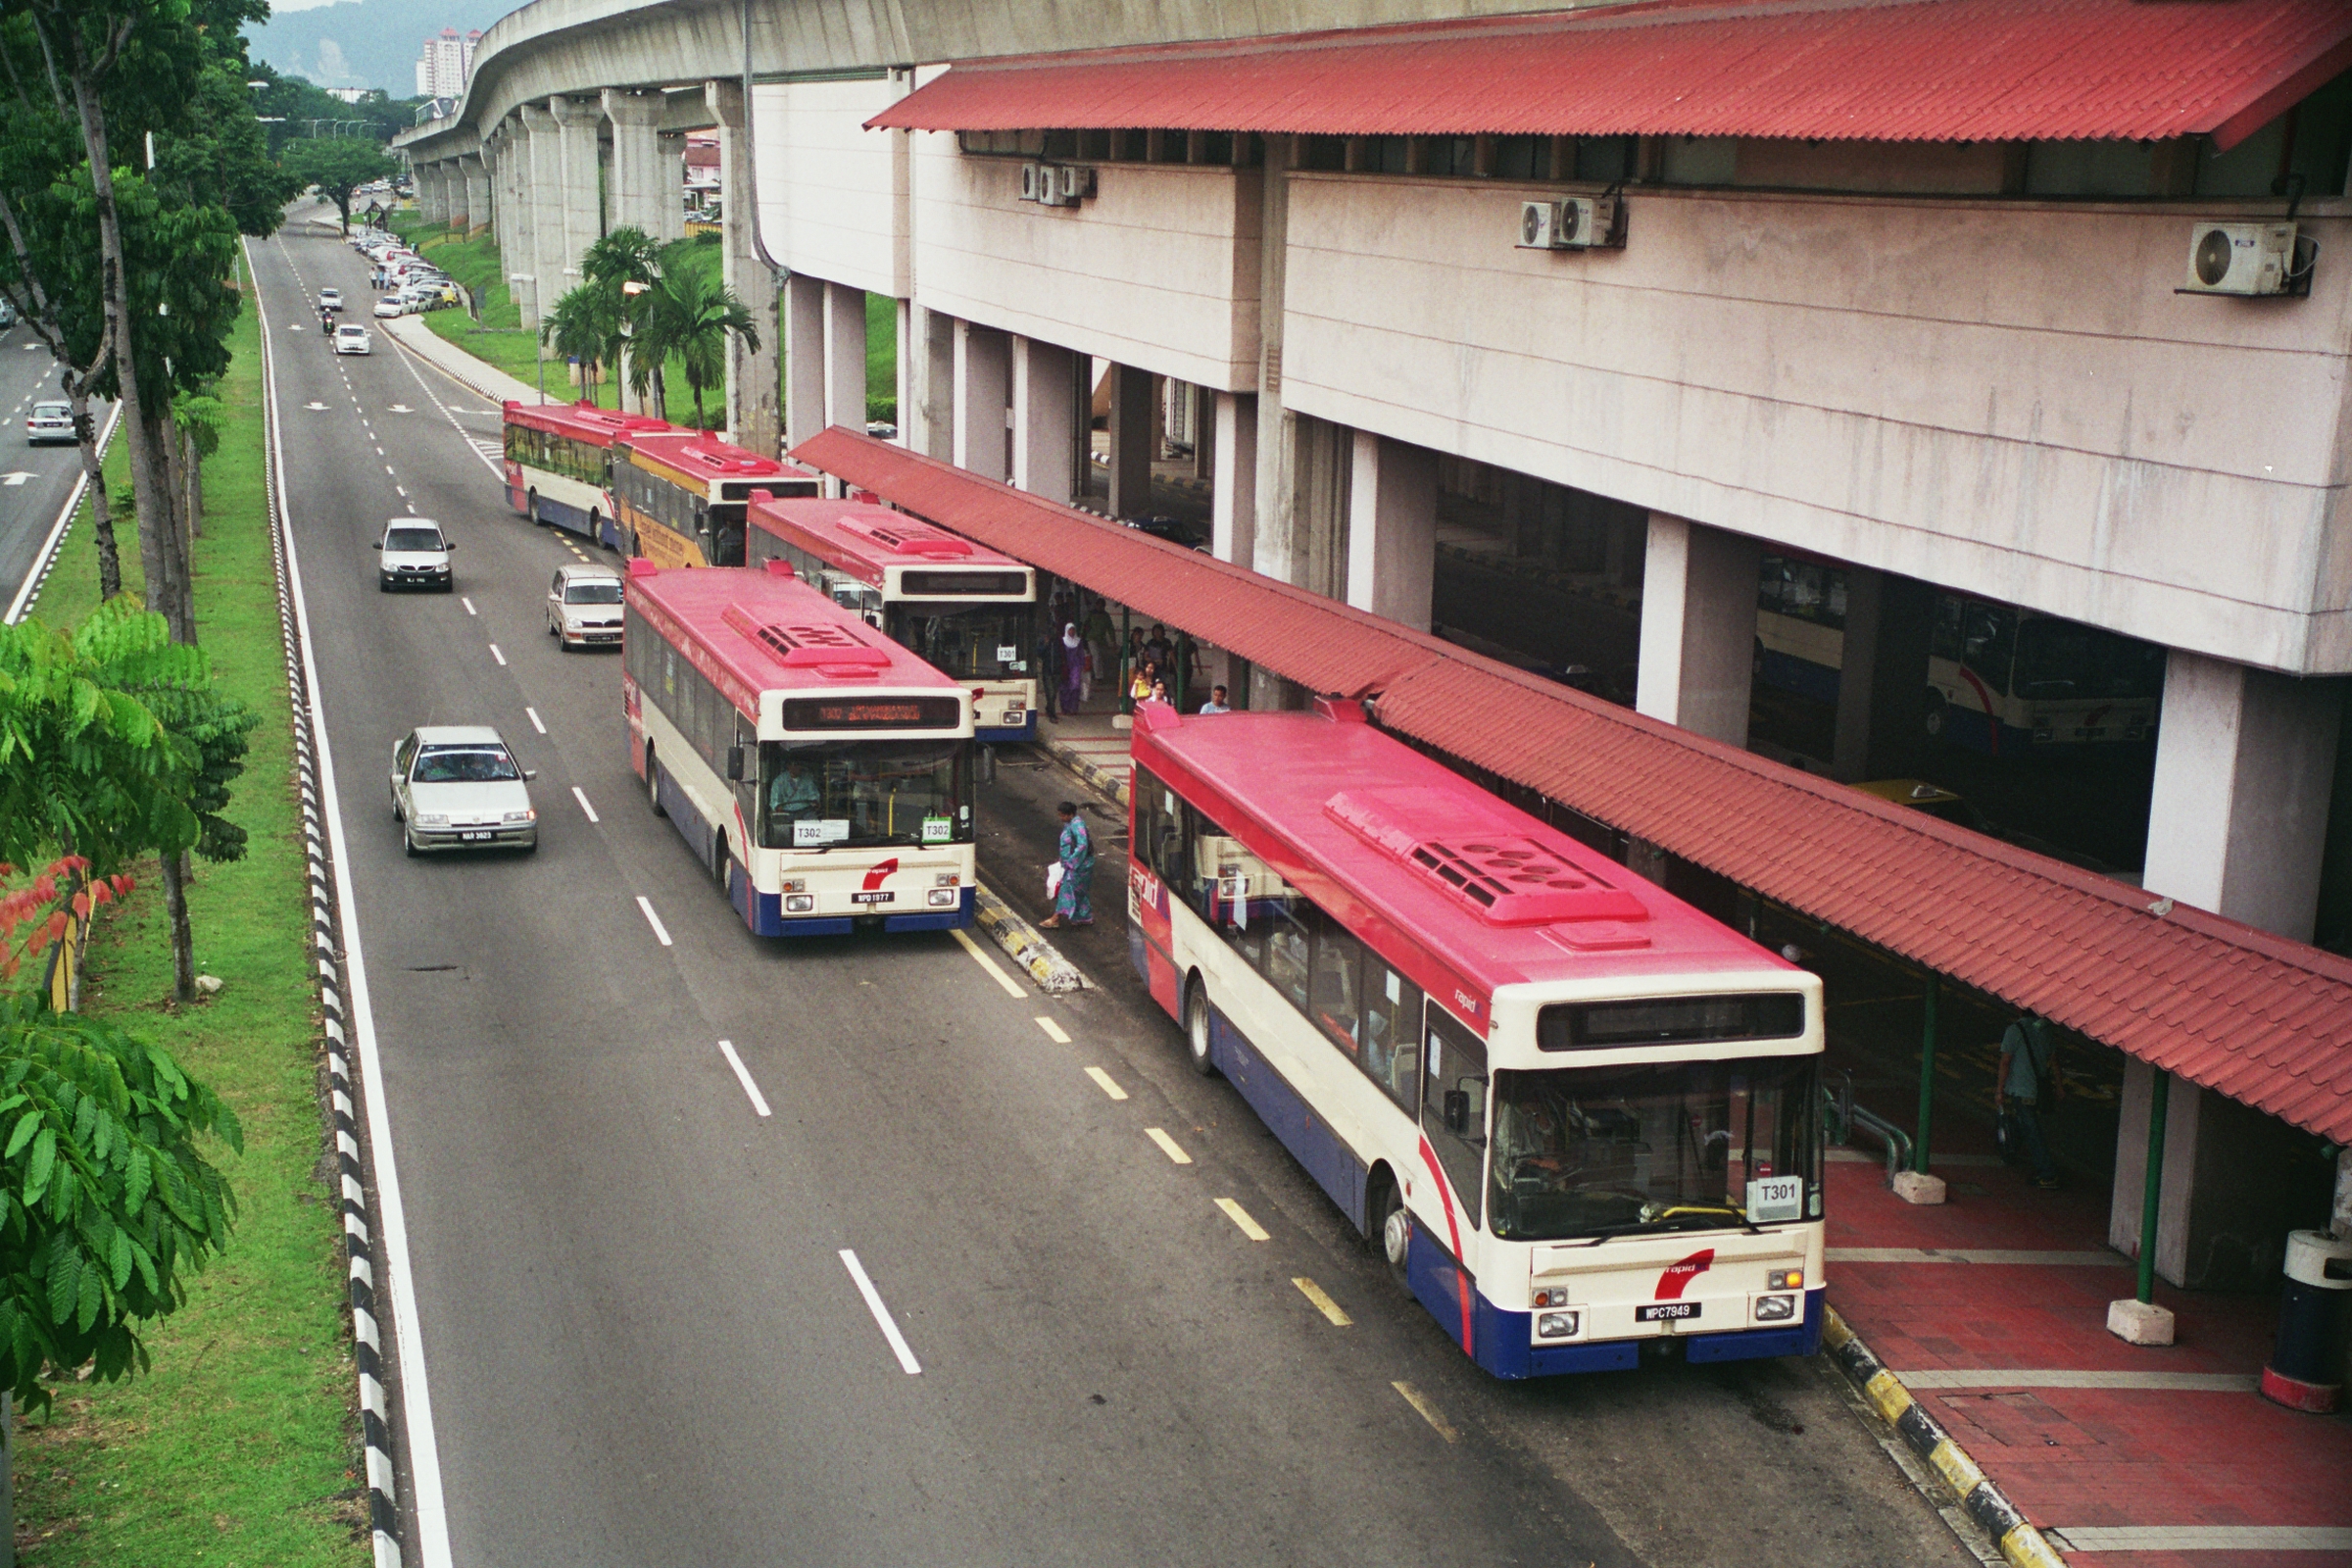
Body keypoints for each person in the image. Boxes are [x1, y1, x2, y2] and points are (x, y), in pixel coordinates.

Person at [1996, 1012, 2060, 1189]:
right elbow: (2053, 1061)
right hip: (2037, 1089)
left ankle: (2047, 1173)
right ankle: (2012, 1152)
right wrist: (2059, 1087)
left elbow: (2005, 1062)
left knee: (2032, 1130)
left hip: (2021, 1088)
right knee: (2025, 1122)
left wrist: (1999, 1091)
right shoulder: (2045, 1031)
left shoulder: (2014, 1030)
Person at [1039, 801, 1094, 928]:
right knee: (1078, 891)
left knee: (1067, 890)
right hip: (1073, 864)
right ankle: (1084, 917)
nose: (1060, 818)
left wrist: (1071, 861)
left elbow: (1082, 845)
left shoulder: (1077, 826)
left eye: (1062, 815)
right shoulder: (1070, 824)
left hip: (1080, 865)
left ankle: (1055, 918)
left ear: (1070, 814)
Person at [767, 757, 821, 823]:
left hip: (805, 811)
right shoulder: (779, 781)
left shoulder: (807, 779)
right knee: (781, 828)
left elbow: (814, 795)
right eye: (794, 765)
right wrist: (777, 806)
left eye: (798, 765)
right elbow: (774, 801)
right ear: (788, 766)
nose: (796, 767)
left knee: (814, 823)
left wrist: (815, 802)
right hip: (786, 812)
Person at [1057, 623, 1087, 715]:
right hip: (1065, 667)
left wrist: (1083, 665)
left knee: (1075, 686)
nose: (1072, 632)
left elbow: (1081, 654)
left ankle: (1073, 708)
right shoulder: (1062, 641)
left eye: (1073, 630)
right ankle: (1065, 708)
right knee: (1064, 687)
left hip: (1075, 666)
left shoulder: (1078, 641)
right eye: (1070, 630)